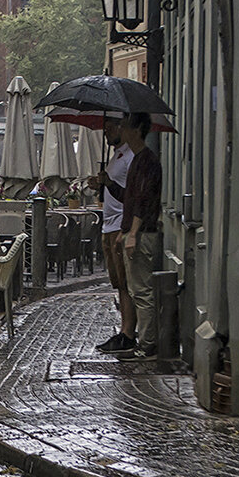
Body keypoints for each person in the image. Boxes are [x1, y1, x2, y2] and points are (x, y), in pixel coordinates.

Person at [116, 112, 162, 361]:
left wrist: (132, 233)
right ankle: (146, 342)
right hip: (134, 233)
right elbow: (130, 198)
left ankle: (147, 344)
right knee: (137, 290)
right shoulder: (137, 160)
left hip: (142, 235)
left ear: (136, 130)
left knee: (142, 291)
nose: (120, 130)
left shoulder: (146, 161)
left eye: (124, 126)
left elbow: (143, 202)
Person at [90, 116, 137, 355]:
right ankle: (123, 330)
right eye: (105, 129)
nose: (106, 133)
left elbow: (131, 196)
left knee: (126, 282)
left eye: (110, 128)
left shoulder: (130, 157)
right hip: (108, 225)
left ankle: (128, 332)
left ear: (122, 128)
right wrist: (100, 184)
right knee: (118, 282)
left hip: (119, 225)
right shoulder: (116, 156)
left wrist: (108, 183)